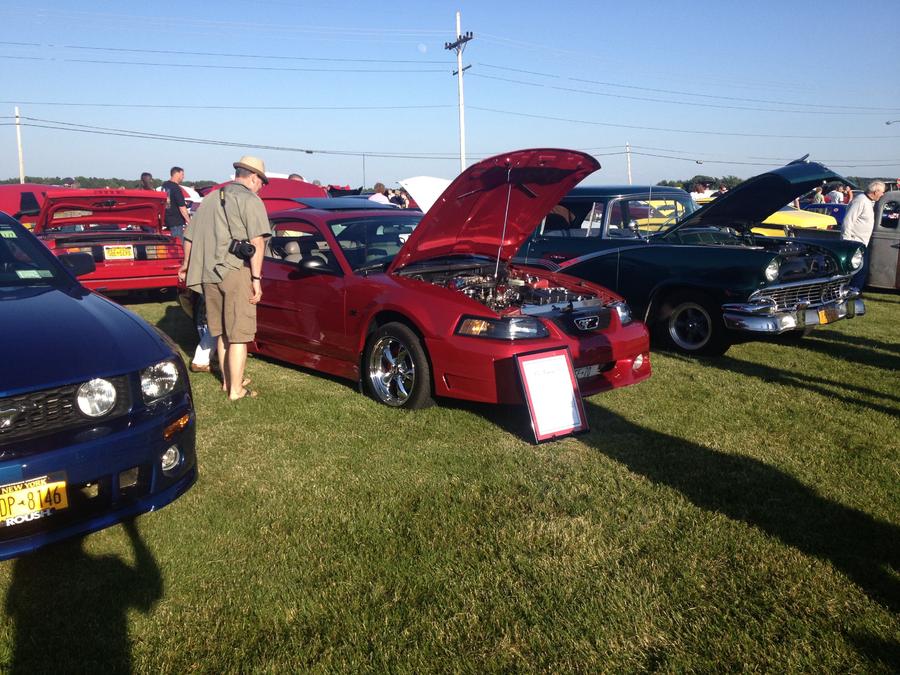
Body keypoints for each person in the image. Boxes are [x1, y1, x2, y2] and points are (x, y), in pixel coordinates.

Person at [181, 156, 271, 400]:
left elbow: (188, 237)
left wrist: (186, 265)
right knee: (239, 334)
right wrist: (256, 279)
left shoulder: (210, 198)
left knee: (221, 332)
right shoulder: (250, 200)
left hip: (209, 274)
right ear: (254, 177)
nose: (261, 187)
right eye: (262, 182)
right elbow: (257, 242)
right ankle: (236, 390)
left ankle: (227, 382)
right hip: (235, 271)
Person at [841, 180, 886, 292]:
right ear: (875, 192)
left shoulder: (869, 202)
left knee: (861, 270)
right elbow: (848, 221)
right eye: (882, 192)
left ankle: (854, 291)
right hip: (854, 242)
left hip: (862, 242)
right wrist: (846, 242)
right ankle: (852, 291)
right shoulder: (860, 200)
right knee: (859, 270)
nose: (883, 195)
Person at [161, 166, 190, 240]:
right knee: (178, 244)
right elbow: (182, 207)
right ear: (177, 174)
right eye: (182, 174)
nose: (183, 177)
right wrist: (189, 221)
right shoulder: (176, 188)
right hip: (176, 223)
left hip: (167, 220)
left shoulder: (164, 185)